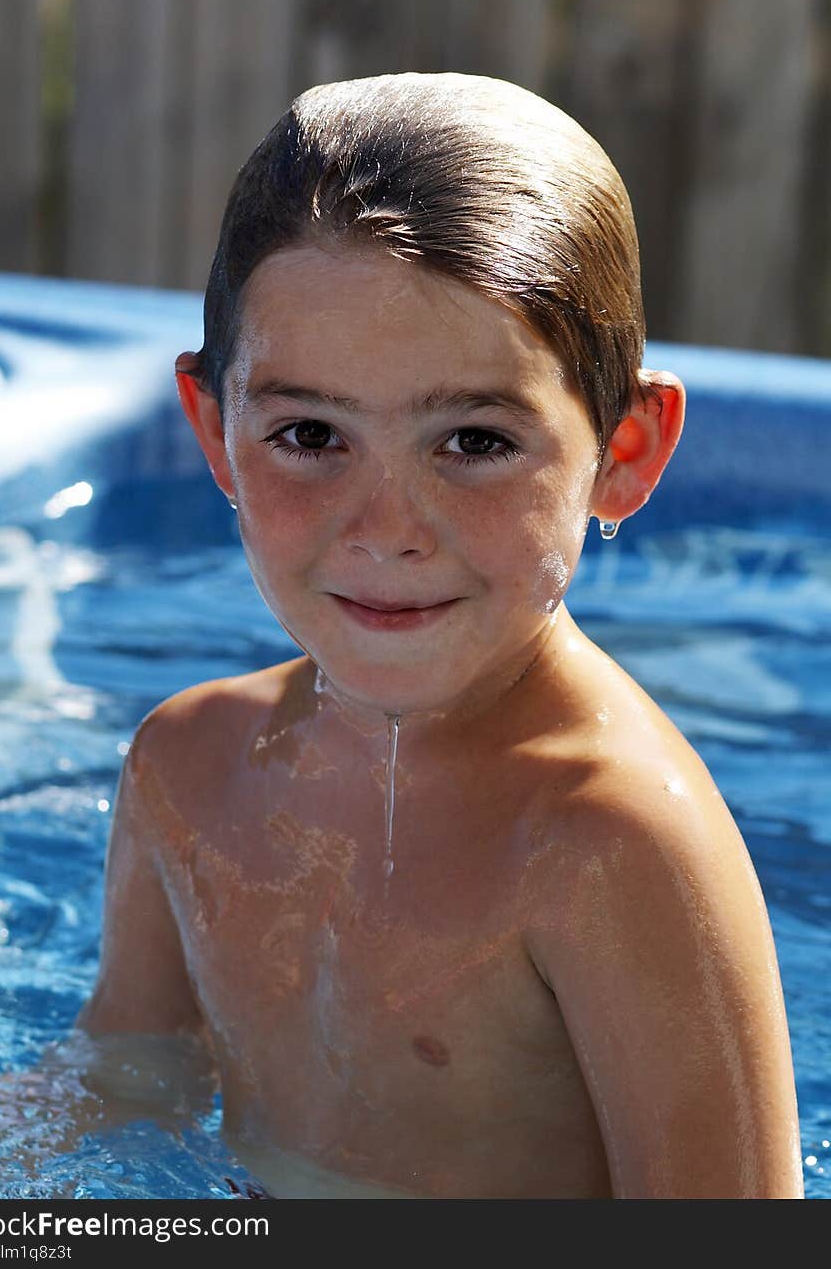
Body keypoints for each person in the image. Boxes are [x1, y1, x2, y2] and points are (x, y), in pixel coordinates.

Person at [76, 73, 803, 1198]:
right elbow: (117, 1097)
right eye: (310, 433)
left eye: (472, 441)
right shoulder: (184, 769)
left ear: (625, 452)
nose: (386, 529)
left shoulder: (607, 846)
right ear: (215, 436)